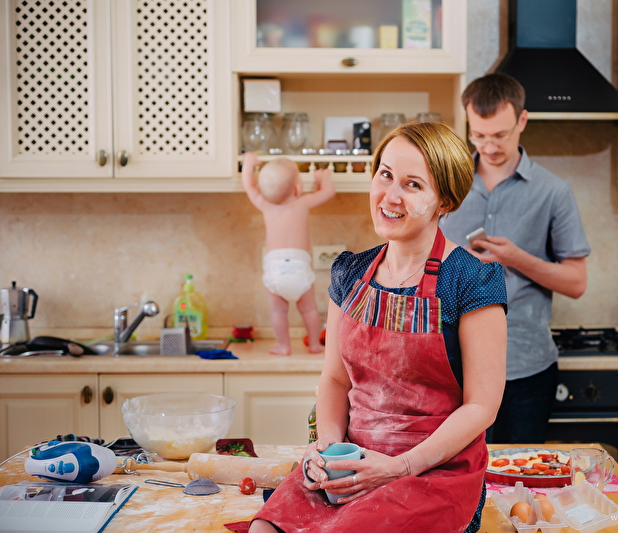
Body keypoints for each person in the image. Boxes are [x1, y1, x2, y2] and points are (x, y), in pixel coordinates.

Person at [229, 122, 508, 533]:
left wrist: (400, 466)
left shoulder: (471, 280)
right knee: (264, 528)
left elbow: (482, 406)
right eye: (385, 175)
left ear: (444, 201)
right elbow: (335, 379)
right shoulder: (350, 274)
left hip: (432, 473)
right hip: (351, 465)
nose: (390, 196)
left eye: (413, 185)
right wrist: (326, 449)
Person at [439, 72, 591, 444]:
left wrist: (517, 258)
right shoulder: (447, 184)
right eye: (478, 135)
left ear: (522, 120)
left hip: (525, 367)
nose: (489, 146)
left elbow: (577, 283)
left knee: (520, 472)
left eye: (500, 135)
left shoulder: (553, 192)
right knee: (458, 472)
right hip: (451, 363)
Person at [242, 153, 336, 355]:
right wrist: (323, 178)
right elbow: (329, 192)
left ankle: (284, 346)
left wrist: (248, 165)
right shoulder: (303, 202)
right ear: (297, 188)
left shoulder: (265, 204)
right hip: (299, 267)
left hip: (275, 268)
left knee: (278, 312)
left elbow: (249, 186)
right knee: (309, 310)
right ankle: (314, 344)